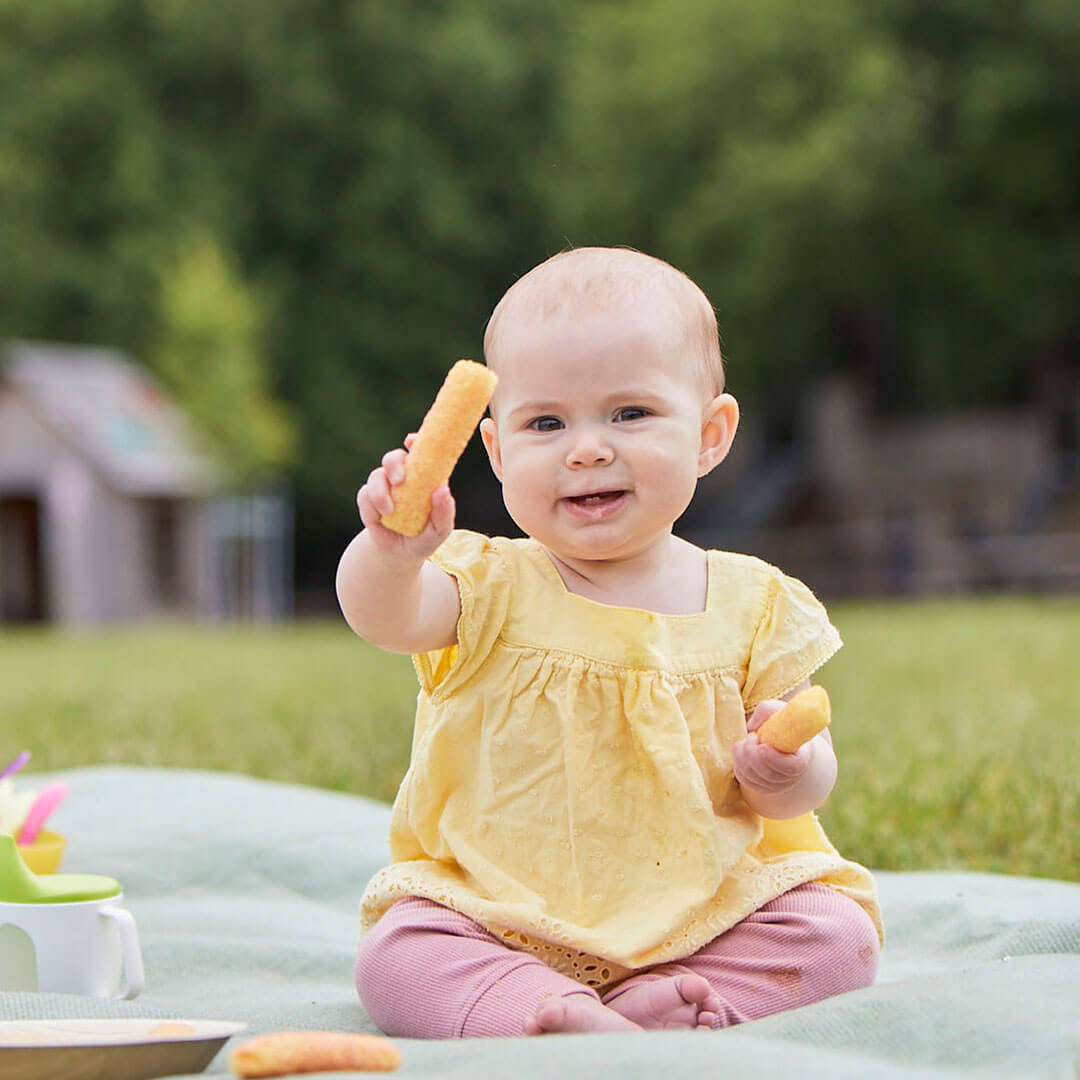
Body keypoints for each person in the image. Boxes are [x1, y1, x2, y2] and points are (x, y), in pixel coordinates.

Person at [337, 247, 882, 1039]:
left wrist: (787, 768)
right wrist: (391, 553)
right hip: (501, 914)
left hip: (708, 914)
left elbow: (802, 783)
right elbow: (383, 617)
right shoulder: (487, 584)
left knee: (837, 936)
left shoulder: (753, 602)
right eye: (546, 422)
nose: (586, 448)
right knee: (397, 954)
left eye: (629, 413)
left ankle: (670, 1001)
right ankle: (542, 1011)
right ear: (495, 451)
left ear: (709, 434)